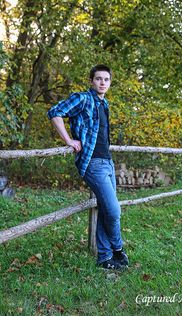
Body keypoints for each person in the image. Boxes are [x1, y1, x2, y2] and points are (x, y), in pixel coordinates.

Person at [47, 65, 129, 270]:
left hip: (108, 162)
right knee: (113, 210)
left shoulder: (105, 103)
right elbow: (55, 112)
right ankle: (118, 249)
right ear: (91, 81)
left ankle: (104, 257)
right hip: (92, 163)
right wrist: (68, 140)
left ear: (110, 82)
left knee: (105, 209)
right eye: (98, 79)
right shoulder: (82, 98)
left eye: (106, 79)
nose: (102, 82)